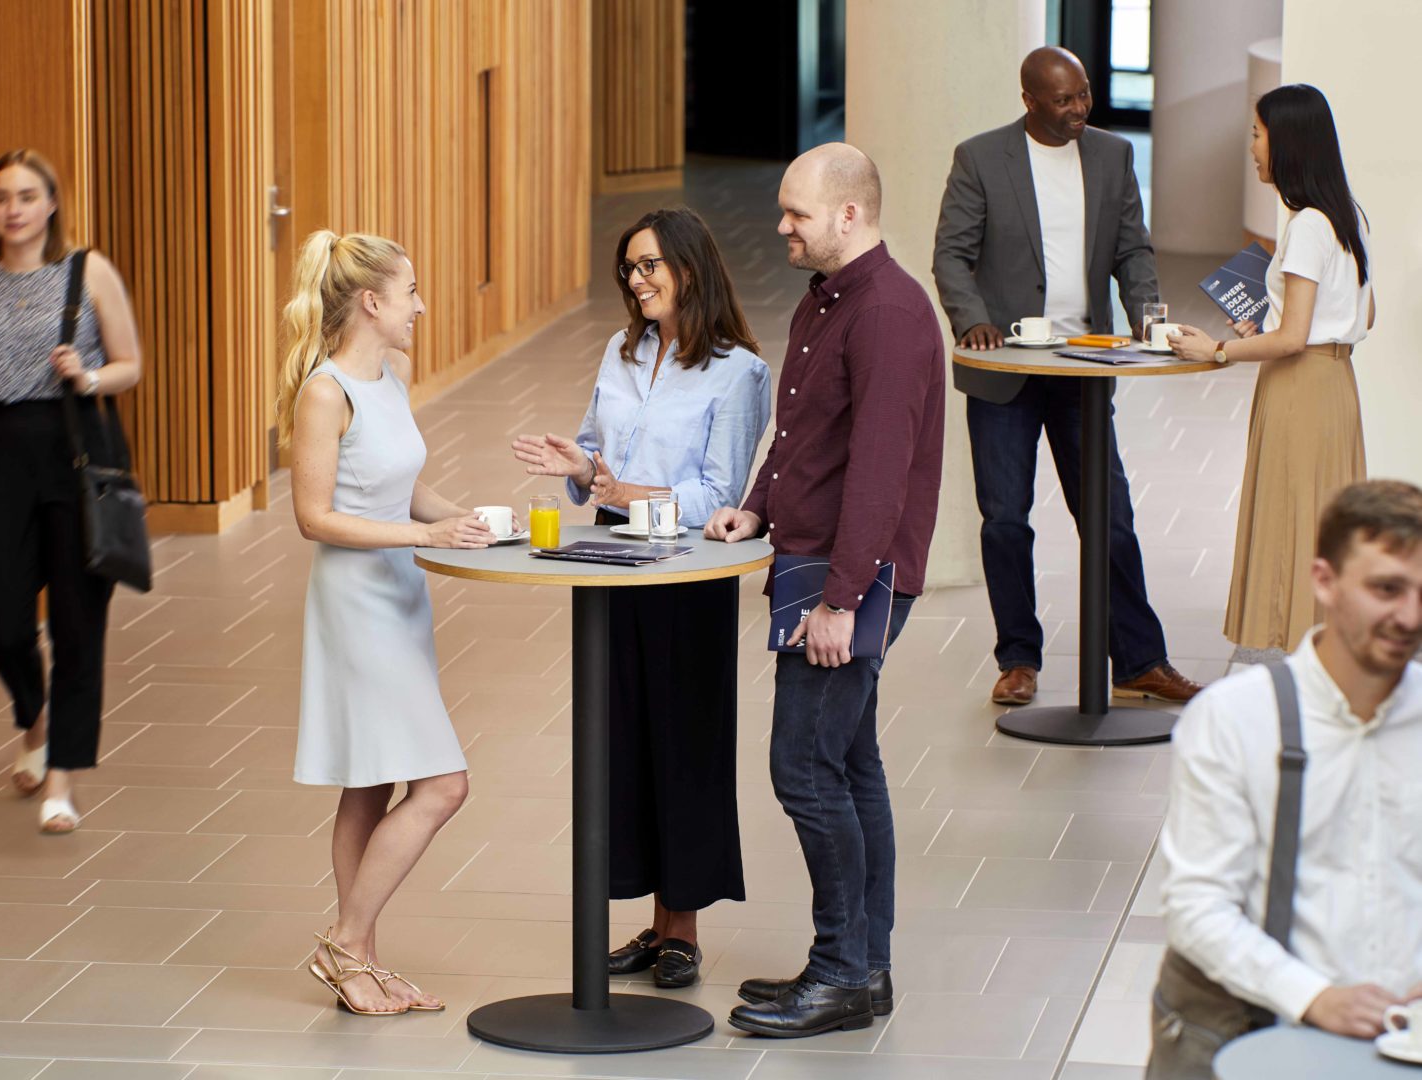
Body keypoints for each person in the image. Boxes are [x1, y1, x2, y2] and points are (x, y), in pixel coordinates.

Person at [706, 143, 943, 1038]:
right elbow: (804, 429)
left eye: (797, 213)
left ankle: (842, 971)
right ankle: (863, 967)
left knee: (802, 766)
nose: (782, 228)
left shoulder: (886, 313)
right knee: (849, 763)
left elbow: (880, 471)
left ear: (849, 214)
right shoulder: (829, 299)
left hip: (852, 576)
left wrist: (842, 603)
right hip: (814, 558)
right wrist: (755, 508)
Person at [511, 207, 770, 988]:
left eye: (650, 264)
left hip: (684, 572)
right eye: (629, 268)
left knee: (683, 743)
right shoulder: (621, 353)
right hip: (611, 557)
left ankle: (683, 927)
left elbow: (719, 493)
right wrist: (581, 465)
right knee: (623, 741)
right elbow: (597, 449)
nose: (637, 279)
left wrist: (628, 489)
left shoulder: (738, 372)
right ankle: (654, 926)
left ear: (691, 267)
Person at [932, 46, 1201, 709]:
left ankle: (1139, 660)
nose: (1079, 108)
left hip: (1085, 362)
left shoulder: (1112, 155)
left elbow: (1132, 249)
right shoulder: (980, 157)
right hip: (1008, 368)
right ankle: (1018, 659)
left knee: (1109, 518)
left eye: (1083, 95)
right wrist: (972, 321)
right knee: (1004, 520)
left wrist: (1147, 319)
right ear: (1029, 100)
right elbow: (951, 256)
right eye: (1063, 100)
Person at [281, 230, 497, 1016]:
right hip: (355, 603)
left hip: (400, 596)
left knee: (371, 781)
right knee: (443, 784)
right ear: (371, 303)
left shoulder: (391, 378)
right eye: (410, 292)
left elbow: (402, 489)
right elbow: (314, 517)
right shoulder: (325, 391)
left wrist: (467, 520)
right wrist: (424, 537)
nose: (421, 305)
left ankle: (361, 961)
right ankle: (344, 942)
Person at [1150, 480, 1422, 1076]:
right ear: (1323, 580)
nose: (1411, 616)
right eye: (1386, 589)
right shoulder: (1234, 718)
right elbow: (1198, 905)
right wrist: (1314, 996)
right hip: (1268, 1036)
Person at [0, 149, 143, 834]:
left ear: (51, 203)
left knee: (80, 623)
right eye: (0, 197)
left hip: (77, 448)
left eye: (27, 195)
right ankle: (35, 719)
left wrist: (86, 375)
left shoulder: (89, 271)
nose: (13, 209)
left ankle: (62, 778)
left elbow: (130, 365)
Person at [1169, 84, 1374, 654]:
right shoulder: (1347, 216)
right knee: (1325, 523)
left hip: (1299, 388)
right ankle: (1331, 650)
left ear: (1286, 142)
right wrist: (1278, 324)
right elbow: (1365, 314)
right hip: (1336, 384)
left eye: (1257, 135)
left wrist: (1215, 350)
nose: (1252, 148)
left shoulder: (1307, 225)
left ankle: (1301, 653)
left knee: (1294, 520)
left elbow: (1291, 340)